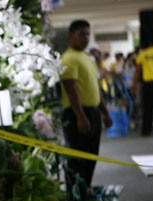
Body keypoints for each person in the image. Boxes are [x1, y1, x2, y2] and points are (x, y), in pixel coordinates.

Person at [60, 20, 113, 187]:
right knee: (78, 159)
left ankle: (85, 192)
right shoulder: (68, 58)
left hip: (92, 112)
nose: (86, 37)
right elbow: (71, 90)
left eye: (88, 34)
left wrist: (105, 113)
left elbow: (95, 90)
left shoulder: (88, 58)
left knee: (91, 156)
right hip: (77, 113)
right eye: (82, 34)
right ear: (71, 36)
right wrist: (80, 117)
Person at [133, 40, 153, 136]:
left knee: (147, 107)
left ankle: (146, 130)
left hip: (147, 84)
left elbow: (137, 70)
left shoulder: (143, 54)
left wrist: (134, 84)